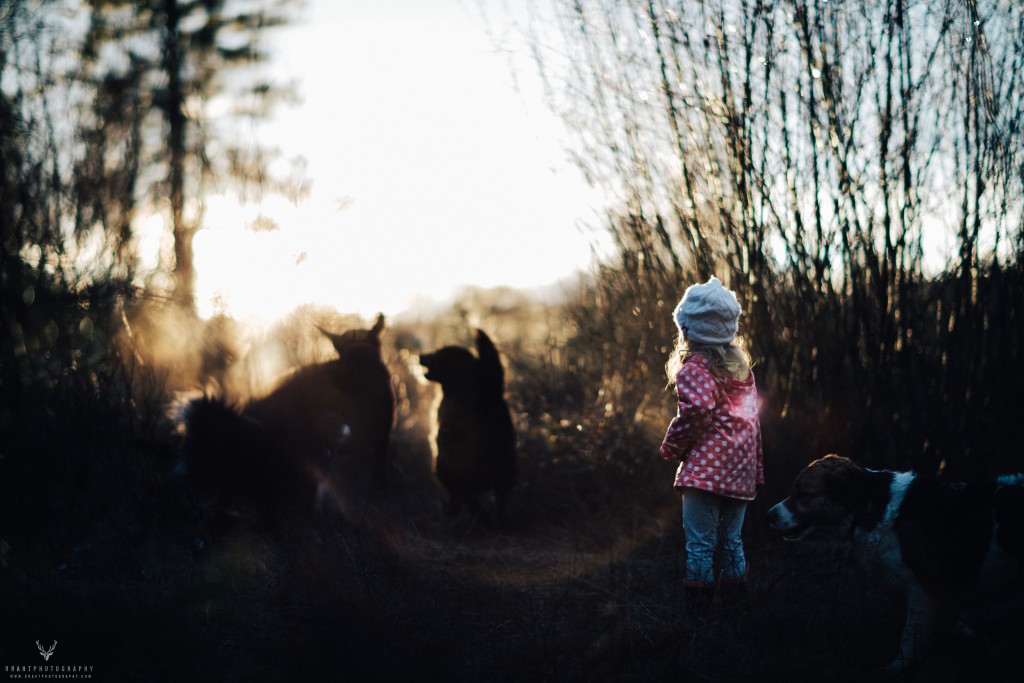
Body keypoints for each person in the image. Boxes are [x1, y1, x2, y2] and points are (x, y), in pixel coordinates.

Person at [660, 276, 764, 617]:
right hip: (739, 474)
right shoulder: (741, 369)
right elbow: (753, 423)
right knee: (732, 544)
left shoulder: (696, 368)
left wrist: (672, 447)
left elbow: (697, 411)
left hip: (705, 476)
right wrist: (756, 469)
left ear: (687, 329)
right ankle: (736, 619)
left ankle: (697, 626)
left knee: (700, 546)